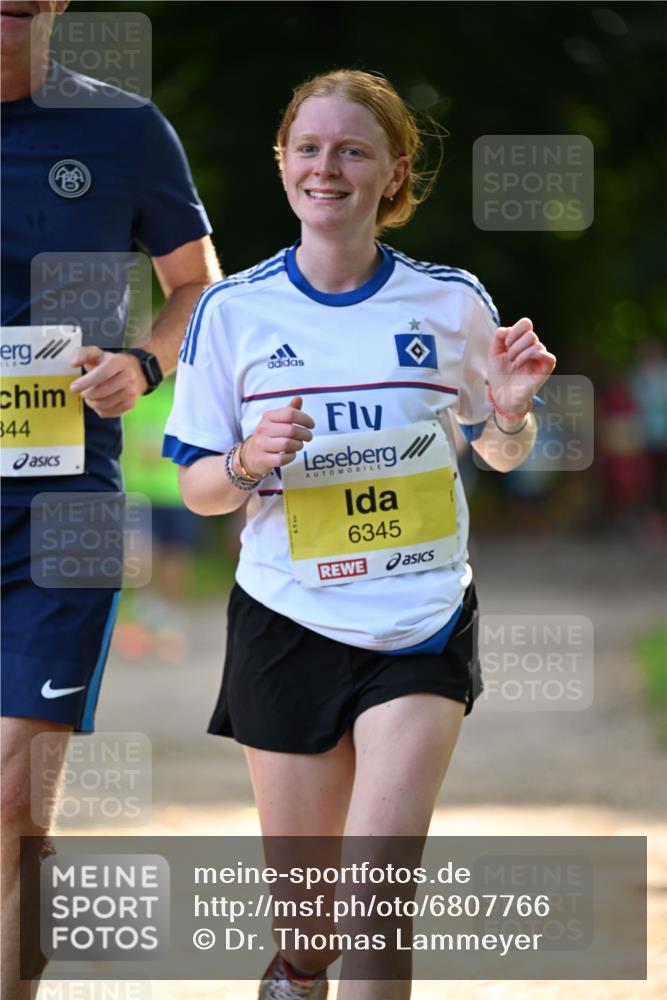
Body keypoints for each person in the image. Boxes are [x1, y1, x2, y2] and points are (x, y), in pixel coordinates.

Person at [164, 69, 556, 999]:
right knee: (313, 923)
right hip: (286, 618)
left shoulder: (450, 301)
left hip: (418, 618)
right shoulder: (234, 311)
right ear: (283, 164)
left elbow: (499, 450)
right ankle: (296, 972)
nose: (326, 168)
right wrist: (252, 458)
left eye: (352, 150)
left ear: (393, 173)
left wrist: (505, 416)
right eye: (308, 148)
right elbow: (197, 491)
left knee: (380, 897)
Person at [0, 3, 221, 997]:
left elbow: (195, 285)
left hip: (60, 512)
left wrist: (143, 362)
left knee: (10, 799)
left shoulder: (126, 130)